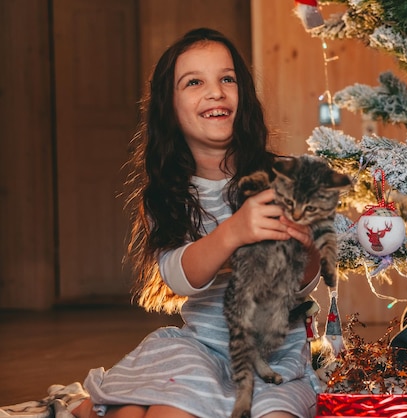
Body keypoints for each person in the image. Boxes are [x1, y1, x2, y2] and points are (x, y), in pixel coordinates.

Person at [72, 27, 322, 418]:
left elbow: (306, 281)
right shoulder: (168, 194)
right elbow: (178, 275)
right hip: (197, 351)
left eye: (227, 79)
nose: (216, 92)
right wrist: (234, 231)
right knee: (151, 414)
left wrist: (306, 245)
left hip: (275, 360)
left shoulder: (283, 178)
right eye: (194, 82)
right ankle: (111, 402)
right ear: (169, 108)